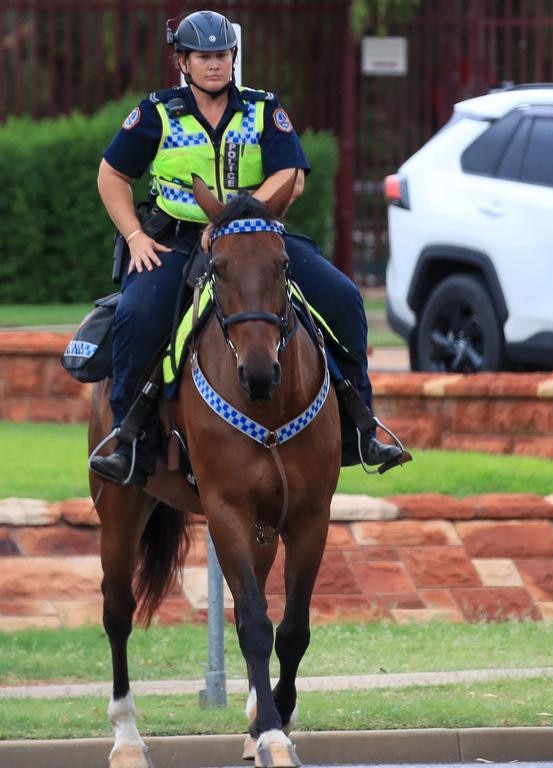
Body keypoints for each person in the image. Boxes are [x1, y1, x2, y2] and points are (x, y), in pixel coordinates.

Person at [89, 9, 407, 486]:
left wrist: (232, 219)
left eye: (222, 55)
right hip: (173, 240)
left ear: (233, 57)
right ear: (183, 61)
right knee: (136, 316)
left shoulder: (262, 109)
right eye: (204, 56)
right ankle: (127, 440)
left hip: (256, 238)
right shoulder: (156, 112)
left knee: (343, 297)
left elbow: (291, 177)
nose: (214, 65)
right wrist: (136, 237)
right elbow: (111, 174)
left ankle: (362, 426)